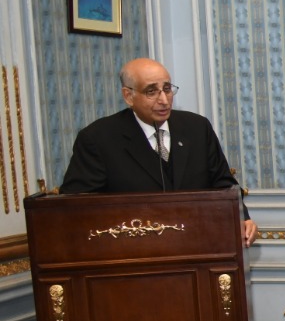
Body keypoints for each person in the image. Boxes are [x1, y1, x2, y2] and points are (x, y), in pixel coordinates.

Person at [60, 58, 257, 246]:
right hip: (133, 251)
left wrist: (243, 218)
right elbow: (78, 205)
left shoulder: (197, 128)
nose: (164, 100)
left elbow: (224, 184)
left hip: (198, 241)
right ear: (128, 96)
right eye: (151, 91)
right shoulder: (98, 138)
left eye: (167, 89)